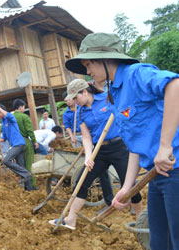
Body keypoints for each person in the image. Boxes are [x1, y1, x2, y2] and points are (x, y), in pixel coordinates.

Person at [65, 32, 179, 249]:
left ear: (106, 59)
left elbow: (175, 85)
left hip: (175, 170)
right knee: (159, 243)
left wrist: (165, 146)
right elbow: (134, 143)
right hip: (156, 177)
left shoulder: (136, 74)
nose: (87, 71)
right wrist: (127, 188)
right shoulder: (114, 92)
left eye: (89, 64)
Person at [49, 79, 142, 231]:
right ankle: (71, 219)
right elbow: (86, 137)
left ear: (85, 92)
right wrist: (88, 157)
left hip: (119, 147)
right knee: (82, 180)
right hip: (100, 150)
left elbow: (125, 113)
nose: (74, 102)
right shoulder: (80, 112)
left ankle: (141, 219)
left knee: (130, 185)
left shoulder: (107, 98)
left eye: (75, 98)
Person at [0, 103, 33, 191]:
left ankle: (26, 173)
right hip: (15, 145)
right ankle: (29, 188)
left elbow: (6, 114)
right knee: (21, 165)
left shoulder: (10, 117)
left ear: (1, 112)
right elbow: (4, 138)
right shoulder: (3, 123)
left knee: (6, 160)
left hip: (19, 144)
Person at [12, 99, 39, 190]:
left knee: (21, 165)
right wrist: (34, 141)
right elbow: (29, 130)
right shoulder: (24, 117)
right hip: (25, 142)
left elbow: (2, 129)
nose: (24, 109)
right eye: (24, 107)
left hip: (16, 143)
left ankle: (25, 186)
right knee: (29, 164)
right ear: (20, 107)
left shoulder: (10, 117)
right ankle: (32, 185)